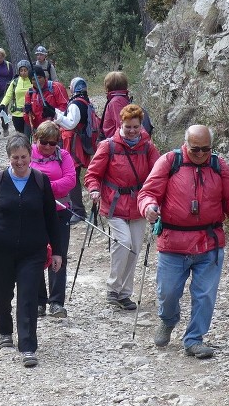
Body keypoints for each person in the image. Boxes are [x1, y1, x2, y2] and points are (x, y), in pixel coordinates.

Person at [137, 125, 229, 359]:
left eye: (206, 149)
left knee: (205, 294)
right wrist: (148, 207)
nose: (200, 154)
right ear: (185, 144)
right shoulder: (169, 162)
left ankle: (194, 339)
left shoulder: (219, 165)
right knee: (167, 293)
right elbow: (147, 193)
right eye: (195, 149)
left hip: (209, 242)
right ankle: (168, 319)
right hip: (173, 243)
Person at [0, 133, 64, 368]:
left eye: (24, 156)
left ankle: (28, 347)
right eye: (15, 157)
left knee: (27, 297)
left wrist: (57, 251)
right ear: (9, 157)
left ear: (30, 156)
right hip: (1, 250)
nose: (20, 162)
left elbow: (51, 218)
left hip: (32, 252)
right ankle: (5, 331)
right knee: (2, 294)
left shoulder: (40, 181)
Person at [84, 104, 160, 310]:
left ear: (141, 126)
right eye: (128, 127)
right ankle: (113, 288)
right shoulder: (109, 146)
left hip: (138, 205)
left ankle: (125, 294)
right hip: (113, 203)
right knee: (124, 242)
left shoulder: (148, 147)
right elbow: (92, 174)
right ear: (121, 124)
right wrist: (93, 190)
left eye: (136, 127)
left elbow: (159, 172)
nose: (132, 131)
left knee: (135, 248)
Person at [30, 122, 77, 318]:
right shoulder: (27, 154)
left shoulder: (63, 156)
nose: (49, 147)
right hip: (34, 212)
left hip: (59, 211)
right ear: (36, 139)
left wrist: (45, 187)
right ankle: (39, 301)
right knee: (37, 254)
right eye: (44, 142)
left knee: (59, 254)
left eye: (53, 143)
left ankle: (56, 302)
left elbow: (71, 180)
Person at [62, 77, 102, 219]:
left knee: (71, 175)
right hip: (79, 142)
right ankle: (76, 208)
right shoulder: (86, 102)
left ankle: (78, 210)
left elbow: (71, 123)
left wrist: (56, 116)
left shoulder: (76, 104)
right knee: (73, 174)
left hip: (74, 144)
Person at [23, 65, 69, 135]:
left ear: (44, 77)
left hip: (57, 130)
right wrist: (27, 113)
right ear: (31, 81)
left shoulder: (56, 87)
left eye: (39, 77)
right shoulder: (29, 94)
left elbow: (66, 109)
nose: (37, 81)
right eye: (34, 79)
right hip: (41, 132)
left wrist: (52, 113)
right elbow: (30, 121)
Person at [0, 60, 33, 135]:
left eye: (25, 70)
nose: (23, 72)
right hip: (17, 114)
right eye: (21, 70)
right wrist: (3, 104)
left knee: (27, 135)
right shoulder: (15, 82)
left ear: (29, 70)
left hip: (30, 113)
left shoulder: (33, 81)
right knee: (20, 136)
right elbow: (8, 95)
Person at [100, 70, 131, 139]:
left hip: (115, 143)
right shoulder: (123, 98)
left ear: (108, 86)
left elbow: (121, 126)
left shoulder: (116, 102)